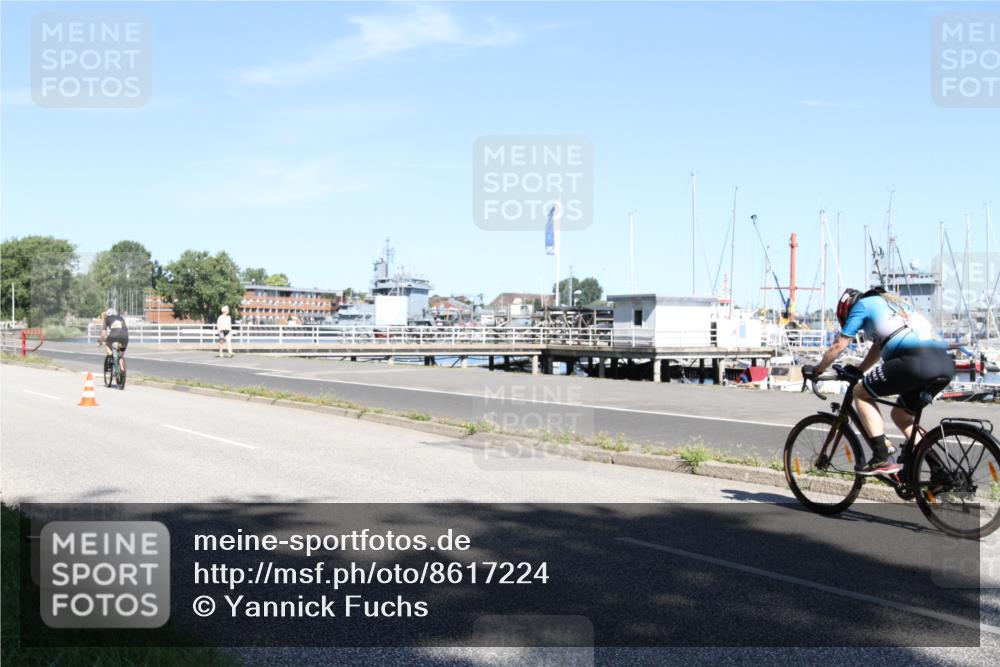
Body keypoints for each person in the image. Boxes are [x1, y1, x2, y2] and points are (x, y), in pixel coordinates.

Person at [804, 287, 955, 475]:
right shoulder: (892, 305)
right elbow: (877, 348)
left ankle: (881, 458)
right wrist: (859, 370)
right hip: (944, 363)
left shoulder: (861, 306)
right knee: (901, 417)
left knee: (860, 392)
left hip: (915, 361)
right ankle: (940, 471)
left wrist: (817, 370)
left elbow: (839, 345)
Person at [101, 308, 128, 373]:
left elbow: (103, 333)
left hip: (114, 335)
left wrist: (101, 340)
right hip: (125, 336)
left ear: (107, 314)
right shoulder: (121, 318)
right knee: (121, 353)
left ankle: (110, 354)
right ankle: (121, 367)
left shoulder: (106, 319)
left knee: (107, 344)